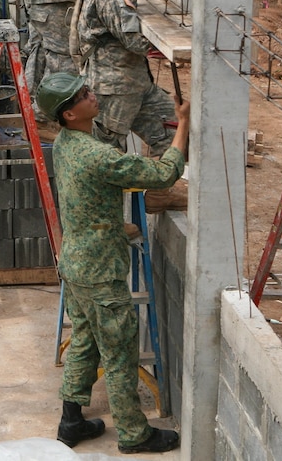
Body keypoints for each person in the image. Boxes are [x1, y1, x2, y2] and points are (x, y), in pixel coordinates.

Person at [36, 71, 187, 455]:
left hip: (76, 263)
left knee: (85, 342)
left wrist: (112, 224)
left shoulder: (68, 144)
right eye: (83, 95)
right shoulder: (97, 154)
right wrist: (183, 125)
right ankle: (135, 434)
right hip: (101, 271)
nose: (92, 95)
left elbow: (83, 198)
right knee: (120, 353)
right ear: (69, 114)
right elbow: (164, 174)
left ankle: (71, 421)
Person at [69, 0, 184, 211]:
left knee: (173, 130)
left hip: (135, 85)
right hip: (112, 90)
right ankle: (105, 222)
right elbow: (134, 40)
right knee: (108, 156)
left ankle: (160, 193)